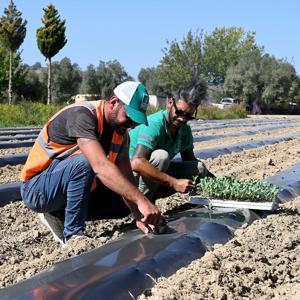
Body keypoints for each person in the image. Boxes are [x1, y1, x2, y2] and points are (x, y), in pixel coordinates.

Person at [20, 81, 163, 246]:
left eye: (135, 120)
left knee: (124, 202)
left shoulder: (121, 134)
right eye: (129, 116)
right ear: (114, 102)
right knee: (84, 163)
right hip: (38, 189)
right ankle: (73, 235)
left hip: (66, 185)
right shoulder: (82, 115)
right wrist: (142, 201)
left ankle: (57, 213)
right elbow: (100, 166)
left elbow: (125, 175)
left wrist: (138, 213)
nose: (131, 124)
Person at [129, 81, 215, 201]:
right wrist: (174, 183)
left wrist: (217, 182)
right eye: (179, 112)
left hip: (154, 174)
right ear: (170, 102)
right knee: (161, 157)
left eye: (188, 116)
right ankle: (141, 206)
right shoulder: (153, 124)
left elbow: (189, 159)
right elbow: (137, 162)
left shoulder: (184, 130)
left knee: (199, 168)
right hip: (130, 176)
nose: (182, 118)